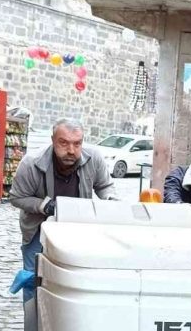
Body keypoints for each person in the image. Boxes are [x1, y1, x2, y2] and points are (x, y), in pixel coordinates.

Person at [10, 118, 117, 300]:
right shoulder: (31, 163)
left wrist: (111, 200)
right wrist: (44, 205)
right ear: (53, 140)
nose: (71, 150)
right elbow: (17, 197)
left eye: (77, 144)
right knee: (33, 278)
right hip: (39, 227)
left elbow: (105, 185)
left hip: (78, 227)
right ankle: (34, 325)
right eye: (64, 143)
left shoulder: (94, 158)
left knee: (75, 275)